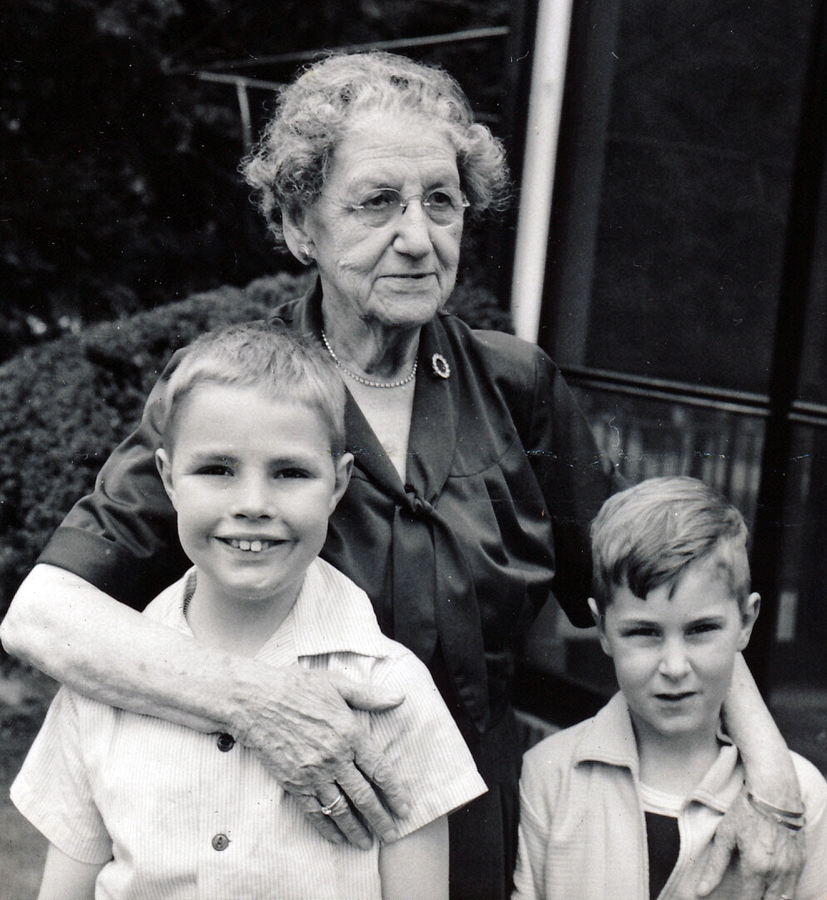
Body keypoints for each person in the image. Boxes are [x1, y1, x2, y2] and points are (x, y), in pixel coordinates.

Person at [0, 51, 804, 900]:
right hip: (291, 834)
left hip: (476, 824)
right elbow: (44, 617)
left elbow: (660, 587)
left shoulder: (516, 386)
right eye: (377, 202)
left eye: (442, 202)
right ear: (300, 225)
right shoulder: (237, 397)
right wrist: (259, 706)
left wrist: (770, 779)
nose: (417, 238)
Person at [11, 322, 487, 900]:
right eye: (217, 470)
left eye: (290, 473)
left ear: (336, 487)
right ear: (166, 477)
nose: (254, 505)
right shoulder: (103, 683)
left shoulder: (392, 689)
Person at [512, 476, 826, 900]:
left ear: (747, 622)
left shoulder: (806, 798)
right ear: (601, 628)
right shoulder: (547, 775)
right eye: (644, 633)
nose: (674, 667)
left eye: (701, 629)